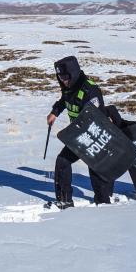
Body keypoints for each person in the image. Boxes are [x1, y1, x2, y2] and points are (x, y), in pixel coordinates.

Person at [46, 56, 115, 209]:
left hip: (96, 136)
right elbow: (64, 100)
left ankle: (104, 204)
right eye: (60, 77)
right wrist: (54, 113)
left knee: (96, 168)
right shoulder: (69, 88)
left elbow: (97, 118)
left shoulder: (90, 90)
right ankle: (65, 200)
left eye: (65, 76)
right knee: (62, 162)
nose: (63, 80)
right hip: (79, 135)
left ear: (73, 72)